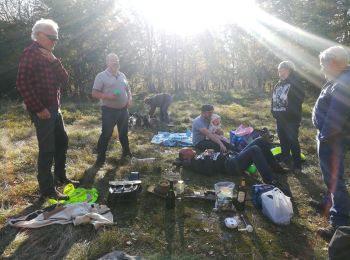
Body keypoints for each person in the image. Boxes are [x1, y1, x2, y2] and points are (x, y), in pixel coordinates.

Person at [16, 19, 78, 200]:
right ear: (38, 36)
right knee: (47, 150)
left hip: (55, 108)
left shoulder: (50, 56)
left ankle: (60, 176)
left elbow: (65, 79)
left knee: (62, 142)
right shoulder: (30, 53)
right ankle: (48, 190)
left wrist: (54, 61)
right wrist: (39, 109)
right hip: (43, 110)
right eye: (51, 37)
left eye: (56, 38)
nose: (54, 41)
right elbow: (22, 84)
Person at [312, 46, 350, 241]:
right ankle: (330, 205)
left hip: (332, 140)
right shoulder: (338, 79)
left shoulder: (345, 82)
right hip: (329, 138)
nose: (322, 68)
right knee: (331, 179)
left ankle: (340, 225)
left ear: (334, 62)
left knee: (336, 182)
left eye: (323, 64)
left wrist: (323, 137)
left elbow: (335, 118)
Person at [92, 53, 132, 165]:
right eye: (112, 60)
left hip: (123, 110)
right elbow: (94, 93)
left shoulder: (122, 75)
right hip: (109, 110)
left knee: (123, 134)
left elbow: (128, 90)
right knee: (106, 134)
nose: (115, 62)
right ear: (107, 62)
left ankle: (127, 153)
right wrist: (109, 97)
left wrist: (130, 99)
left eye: (116, 60)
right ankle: (100, 158)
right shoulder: (101, 76)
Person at [271, 61, 305, 173]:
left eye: (281, 69)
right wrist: (274, 111)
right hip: (280, 118)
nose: (279, 71)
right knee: (283, 139)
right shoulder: (279, 83)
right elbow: (274, 99)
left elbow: (298, 99)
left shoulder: (296, 83)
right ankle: (286, 160)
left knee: (292, 140)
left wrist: (288, 113)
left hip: (291, 118)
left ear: (287, 69)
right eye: (278, 69)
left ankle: (297, 166)